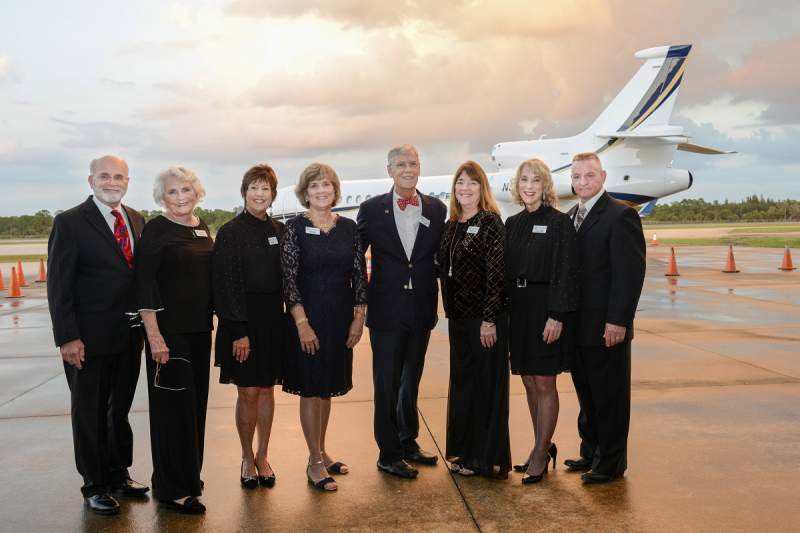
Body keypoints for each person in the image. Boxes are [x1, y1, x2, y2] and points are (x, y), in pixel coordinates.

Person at [47, 155, 149, 515]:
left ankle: (119, 473)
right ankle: (94, 484)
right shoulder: (70, 222)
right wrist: (68, 337)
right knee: (89, 412)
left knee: (118, 410)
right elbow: (59, 287)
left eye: (119, 176)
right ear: (91, 181)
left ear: (128, 180)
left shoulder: (135, 218)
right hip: (87, 340)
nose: (112, 181)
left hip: (128, 335)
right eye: (105, 176)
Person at [356, 144, 447, 479]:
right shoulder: (371, 208)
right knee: (387, 382)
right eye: (400, 164)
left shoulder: (437, 209)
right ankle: (388, 452)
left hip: (421, 307)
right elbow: (356, 258)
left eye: (413, 163)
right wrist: (356, 302)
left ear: (419, 167)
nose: (408, 169)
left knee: (412, 379)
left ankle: (408, 441)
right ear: (389, 170)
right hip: (387, 309)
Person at [281, 163, 368, 492]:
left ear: (335, 190)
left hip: (340, 318)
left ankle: (322, 449)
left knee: (328, 387)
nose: (321, 191)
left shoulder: (349, 228)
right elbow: (288, 282)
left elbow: (359, 275)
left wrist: (359, 318)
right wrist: (302, 324)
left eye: (327, 186)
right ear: (306, 192)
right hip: (308, 318)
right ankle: (314, 461)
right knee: (311, 388)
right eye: (315, 186)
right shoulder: (295, 228)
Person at [564, 152, 646, 484]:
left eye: (589, 175)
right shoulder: (571, 215)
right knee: (587, 393)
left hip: (606, 326)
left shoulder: (620, 216)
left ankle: (611, 463)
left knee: (609, 396)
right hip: (578, 327)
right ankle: (591, 451)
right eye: (577, 176)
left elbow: (629, 274)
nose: (583, 182)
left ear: (603, 176)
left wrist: (618, 321)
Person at [137, 166, 214, 512]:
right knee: (173, 411)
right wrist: (154, 336)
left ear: (196, 192)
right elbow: (144, 285)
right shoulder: (156, 229)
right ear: (162, 197)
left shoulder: (202, 227)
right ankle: (172, 488)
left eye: (186, 190)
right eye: (173, 192)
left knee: (195, 408)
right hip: (169, 335)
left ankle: (189, 475)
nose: (181, 197)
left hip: (200, 332)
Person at [505, 158, 578, 484]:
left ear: (545, 186)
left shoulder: (560, 223)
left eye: (535, 180)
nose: (529, 186)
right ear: (517, 186)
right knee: (529, 382)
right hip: (519, 310)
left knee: (545, 382)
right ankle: (542, 446)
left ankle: (539, 453)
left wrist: (557, 315)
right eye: (524, 180)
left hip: (545, 308)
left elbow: (566, 272)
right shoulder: (513, 223)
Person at [436, 161, 511, 479]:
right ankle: (465, 452)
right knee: (464, 385)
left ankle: (485, 458)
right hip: (459, 320)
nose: (465, 188)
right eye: (460, 183)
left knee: (485, 387)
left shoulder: (491, 222)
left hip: (485, 321)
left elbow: (497, 276)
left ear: (483, 188)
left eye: (472, 183)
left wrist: (490, 320)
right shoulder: (451, 224)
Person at [213, 164, 285, 489]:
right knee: (248, 392)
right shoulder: (230, 232)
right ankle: (245, 457)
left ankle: (263, 456)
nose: (259, 194)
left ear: (273, 194)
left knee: (268, 389)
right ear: (244, 192)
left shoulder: (280, 231)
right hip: (241, 322)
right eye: (254, 188)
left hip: (273, 321)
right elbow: (225, 285)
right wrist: (239, 330)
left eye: (265, 189)